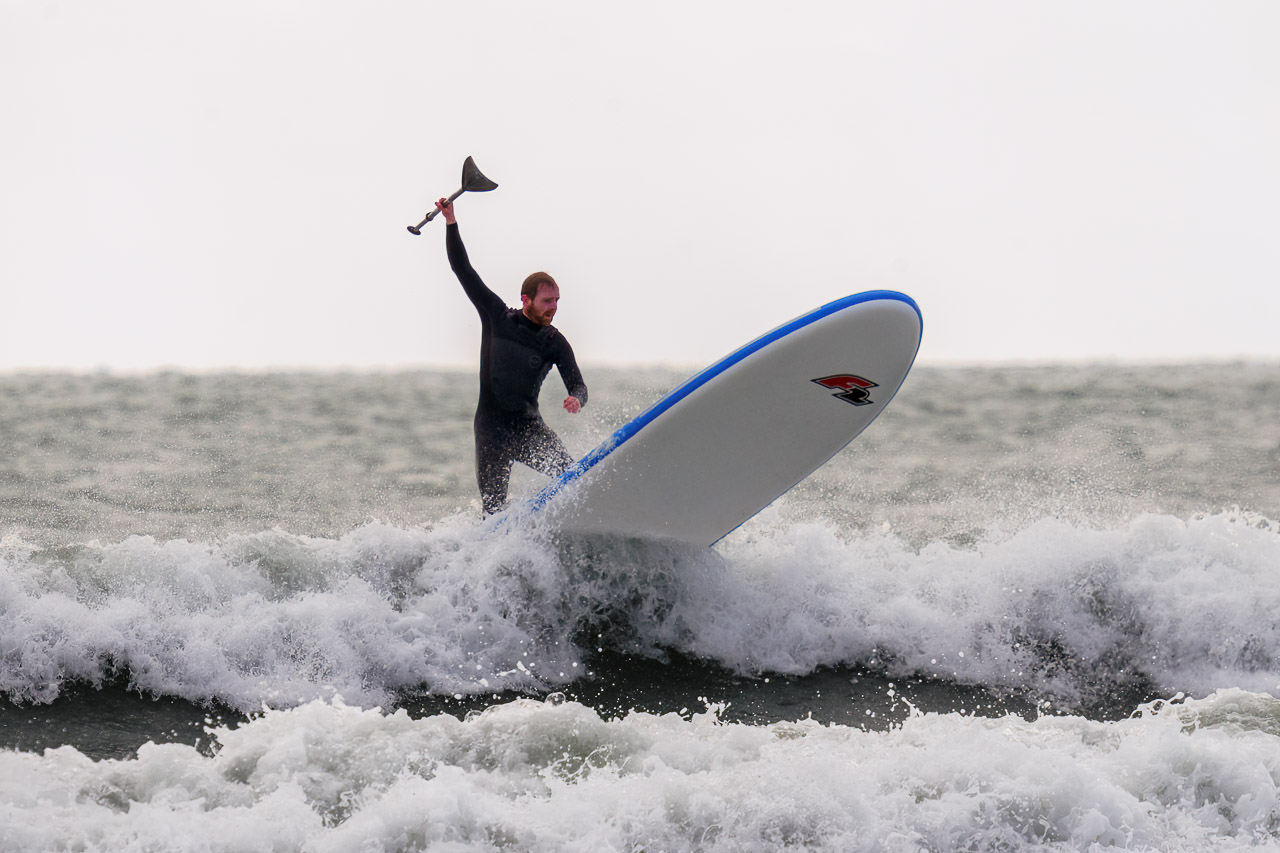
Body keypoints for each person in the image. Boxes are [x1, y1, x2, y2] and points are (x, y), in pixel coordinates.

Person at [435, 197, 588, 515]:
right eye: (547, 301)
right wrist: (451, 222)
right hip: (490, 430)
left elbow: (579, 385)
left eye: (557, 300)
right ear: (526, 299)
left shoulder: (554, 341)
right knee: (493, 512)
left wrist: (576, 397)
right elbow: (463, 270)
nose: (553, 307)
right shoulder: (497, 317)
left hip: (528, 429)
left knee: (574, 481)